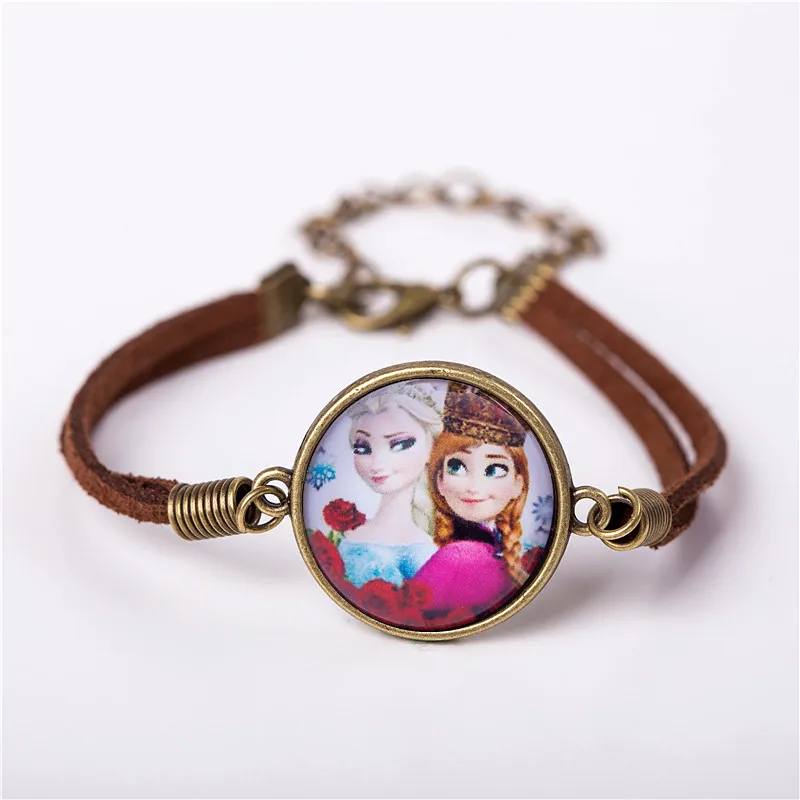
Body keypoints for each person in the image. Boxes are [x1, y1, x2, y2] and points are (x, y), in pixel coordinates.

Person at [412, 382, 530, 614]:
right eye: (457, 467)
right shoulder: (463, 556)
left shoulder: (462, 556)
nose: (474, 488)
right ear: (439, 480)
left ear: (518, 484)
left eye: (494, 470)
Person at [337, 381, 443, 587]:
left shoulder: (432, 547)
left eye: (400, 445)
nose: (377, 464)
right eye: (362, 448)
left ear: (432, 448)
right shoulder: (348, 534)